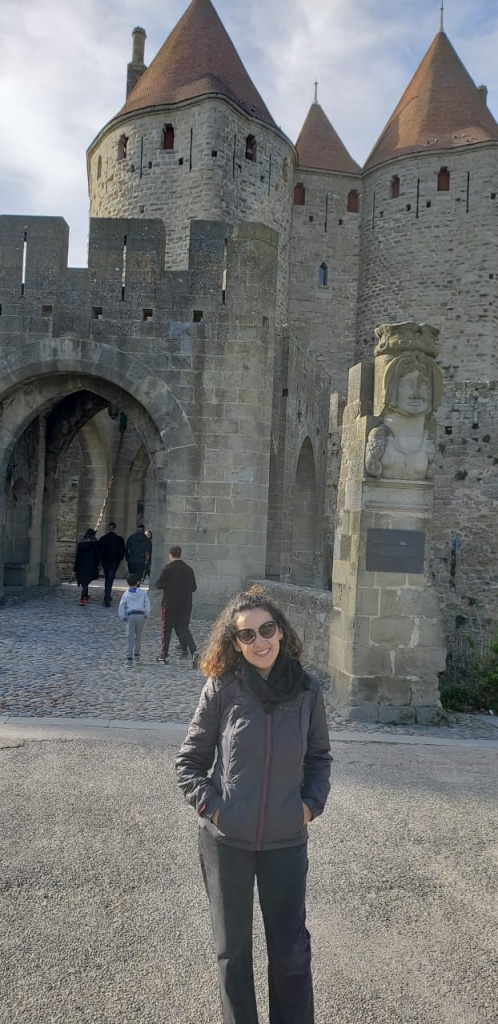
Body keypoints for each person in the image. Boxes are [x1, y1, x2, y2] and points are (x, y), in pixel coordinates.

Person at [175, 586, 332, 1024]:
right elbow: (189, 762)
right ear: (235, 643)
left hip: (285, 841)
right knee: (233, 953)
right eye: (247, 635)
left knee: (291, 953)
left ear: (281, 631)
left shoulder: (307, 689)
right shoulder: (222, 688)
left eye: (267, 629)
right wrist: (216, 808)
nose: (260, 641)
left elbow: (319, 758)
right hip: (227, 843)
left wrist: (308, 807)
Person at [155, 545, 197, 665]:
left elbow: (159, 585)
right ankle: (194, 651)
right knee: (184, 629)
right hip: (185, 604)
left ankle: (163, 656)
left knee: (166, 630)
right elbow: (194, 587)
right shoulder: (189, 569)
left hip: (169, 604)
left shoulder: (167, 569)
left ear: (170, 555)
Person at [118, 572, 151, 665]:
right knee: (138, 636)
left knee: (130, 637)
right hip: (140, 615)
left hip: (131, 616)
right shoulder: (143, 593)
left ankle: (129, 658)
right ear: (138, 582)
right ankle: (137, 654)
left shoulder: (126, 594)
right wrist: (146, 615)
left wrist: (123, 617)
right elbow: (147, 605)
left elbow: (122, 606)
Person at [99, 522, 125, 607]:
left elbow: (99, 551)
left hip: (105, 562)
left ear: (108, 528)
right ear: (115, 528)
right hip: (114, 563)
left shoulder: (103, 539)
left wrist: (101, 561)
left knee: (107, 579)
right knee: (110, 580)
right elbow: (122, 551)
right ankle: (106, 598)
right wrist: (118, 560)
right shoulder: (119, 539)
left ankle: (107, 596)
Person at [73, 529, 101, 606]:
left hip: (81, 566)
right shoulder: (95, 544)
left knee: (85, 582)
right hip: (90, 565)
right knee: (86, 583)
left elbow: (77, 557)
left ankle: (85, 596)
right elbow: (97, 555)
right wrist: (98, 565)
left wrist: (75, 568)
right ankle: (82, 599)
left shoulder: (81, 544)